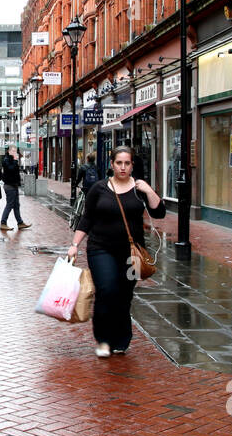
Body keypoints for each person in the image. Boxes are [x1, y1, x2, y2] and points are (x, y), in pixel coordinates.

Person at [69, 146, 167, 358]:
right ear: (112, 164)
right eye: (119, 163)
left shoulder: (139, 189)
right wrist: (75, 244)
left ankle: (122, 339)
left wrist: (149, 190)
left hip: (132, 253)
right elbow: (87, 219)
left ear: (132, 165)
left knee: (124, 295)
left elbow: (159, 212)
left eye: (127, 163)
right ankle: (104, 340)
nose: (123, 167)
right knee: (106, 291)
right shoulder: (99, 188)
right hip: (100, 248)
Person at [0, 146, 30, 230]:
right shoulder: (6, 160)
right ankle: (3, 222)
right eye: (12, 151)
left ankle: (20, 223)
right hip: (9, 186)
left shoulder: (12, 160)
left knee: (16, 205)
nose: (14, 152)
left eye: (15, 151)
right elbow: (10, 169)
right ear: (8, 151)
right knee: (10, 204)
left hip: (14, 185)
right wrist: (16, 161)